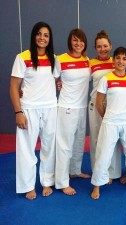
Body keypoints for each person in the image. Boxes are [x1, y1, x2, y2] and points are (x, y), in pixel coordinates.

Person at [10, 21, 58, 200]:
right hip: (29, 109)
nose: (42, 38)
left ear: (49, 38)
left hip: (51, 108)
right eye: (39, 34)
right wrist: (18, 112)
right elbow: (14, 86)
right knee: (26, 150)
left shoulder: (54, 59)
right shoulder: (22, 57)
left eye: (46, 35)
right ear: (33, 36)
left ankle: (47, 181)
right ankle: (28, 186)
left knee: (49, 147)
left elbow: (58, 80)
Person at [91, 47, 126, 199]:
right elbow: (99, 103)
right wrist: (108, 117)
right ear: (114, 60)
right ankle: (97, 185)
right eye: (118, 58)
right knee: (104, 154)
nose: (121, 61)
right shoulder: (106, 79)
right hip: (110, 122)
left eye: (124, 58)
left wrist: (123, 114)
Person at [55, 28, 91, 195]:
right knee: (64, 145)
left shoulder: (87, 61)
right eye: (75, 40)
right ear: (70, 41)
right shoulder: (60, 59)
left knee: (78, 142)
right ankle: (62, 182)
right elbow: (48, 77)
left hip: (82, 107)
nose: (78, 43)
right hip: (66, 107)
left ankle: (74, 170)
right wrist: (57, 83)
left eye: (81, 40)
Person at [89, 30, 121, 182]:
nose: (103, 49)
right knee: (96, 140)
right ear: (95, 48)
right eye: (99, 46)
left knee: (112, 140)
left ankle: (113, 172)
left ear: (110, 46)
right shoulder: (91, 63)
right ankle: (98, 172)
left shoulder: (118, 61)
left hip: (113, 106)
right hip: (96, 105)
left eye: (105, 46)